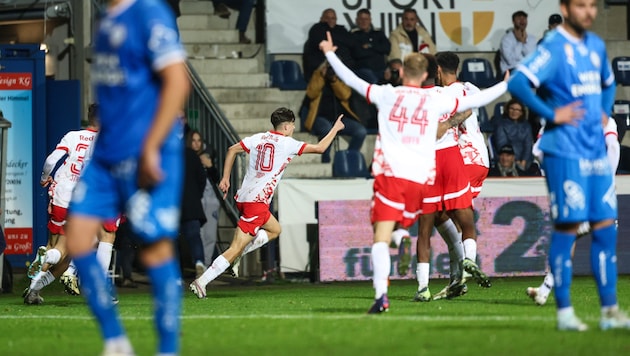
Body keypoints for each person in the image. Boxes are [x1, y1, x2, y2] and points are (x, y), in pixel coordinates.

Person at [318, 31, 507, 313]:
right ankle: (453, 257)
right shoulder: (437, 98)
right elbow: (473, 102)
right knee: (459, 219)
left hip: (390, 173)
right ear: (428, 75)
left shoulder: (387, 94)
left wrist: (330, 54)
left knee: (389, 234)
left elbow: (353, 81)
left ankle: (390, 274)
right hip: (423, 173)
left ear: (403, 72)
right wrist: (506, 85)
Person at [65, 1, 190, 355]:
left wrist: (152, 145)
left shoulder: (148, 12)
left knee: (155, 252)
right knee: (76, 238)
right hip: (106, 154)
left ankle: (168, 348)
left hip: (146, 152)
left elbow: (178, 81)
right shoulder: (107, 20)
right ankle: (116, 342)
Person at [507, 0, 630, 331]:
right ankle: (564, 313)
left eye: (593, 5)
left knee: (605, 227)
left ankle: (610, 311)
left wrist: (604, 112)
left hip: (595, 152)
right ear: (565, 7)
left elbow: (607, 84)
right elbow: (517, 83)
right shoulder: (554, 46)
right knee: (568, 227)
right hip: (564, 151)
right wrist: (552, 114)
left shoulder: (595, 45)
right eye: (580, 5)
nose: (588, 11)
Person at [189, 107, 344, 298]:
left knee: (275, 229)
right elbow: (320, 148)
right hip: (257, 203)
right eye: (293, 126)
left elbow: (231, 150)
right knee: (235, 247)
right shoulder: (287, 143)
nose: (294, 129)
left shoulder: (258, 138)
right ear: (286, 126)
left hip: (244, 198)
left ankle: (238, 255)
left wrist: (225, 178)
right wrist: (335, 129)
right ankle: (202, 281)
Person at [527, 116, 620, 305]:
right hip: (597, 184)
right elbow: (613, 148)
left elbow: (538, 151)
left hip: (570, 182)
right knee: (581, 237)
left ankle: (549, 292)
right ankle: (547, 290)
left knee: (567, 235)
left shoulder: (557, 114)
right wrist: (608, 180)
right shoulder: (603, 117)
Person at [299, 61, 367, 163]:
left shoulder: (341, 77)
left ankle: (348, 158)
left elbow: (345, 95)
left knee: (361, 131)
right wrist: (322, 76)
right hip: (319, 117)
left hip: (339, 119)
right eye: (329, 67)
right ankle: (325, 158)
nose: (332, 70)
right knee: (327, 129)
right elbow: (311, 93)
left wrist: (334, 80)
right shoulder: (318, 74)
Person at [189, 130, 221, 266]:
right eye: (193, 141)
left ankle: (205, 266)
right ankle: (199, 263)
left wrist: (211, 166)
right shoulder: (187, 159)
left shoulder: (206, 158)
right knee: (198, 235)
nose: (196, 144)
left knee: (210, 235)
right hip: (196, 200)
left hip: (211, 199)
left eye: (199, 141)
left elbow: (217, 179)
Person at [180, 129, 208, 278]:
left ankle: (176, 275)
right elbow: (201, 179)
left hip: (174, 205)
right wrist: (196, 196)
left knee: (173, 241)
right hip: (192, 204)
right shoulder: (192, 155)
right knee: (195, 237)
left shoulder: (165, 155)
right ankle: (199, 262)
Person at [303, 8, 356, 82]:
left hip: (345, 66)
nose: (330, 20)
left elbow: (350, 43)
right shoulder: (316, 29)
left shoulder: (341, 30)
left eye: (333, 18)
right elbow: (323, 43)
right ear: (321, 19)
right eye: (327, 18)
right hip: (323, 68)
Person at [492, 98, 535, 171]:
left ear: (521, 112)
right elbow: (502, 145)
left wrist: (523, 161)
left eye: (518, 110)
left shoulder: (527, 126)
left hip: (525, 160)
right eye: (512, 109)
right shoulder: (501, 125)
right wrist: (515, 160)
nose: (514, 112)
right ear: (507, 110)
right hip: (507, 159)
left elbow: (528, 145)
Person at [350, 8, 390, 84]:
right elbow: (358, 53)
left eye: (366, 19)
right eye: (361, 19)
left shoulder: (378, 33)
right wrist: (377, 50)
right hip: (363, 69)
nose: (364, 21)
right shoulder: (353, 35)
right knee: (374, 82)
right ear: (356, 20)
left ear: (370, 20)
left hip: (381, 69)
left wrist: (370, 46)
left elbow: (387, 48)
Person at [498, 10, 537, 76]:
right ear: (513, 21)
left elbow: (532, 57)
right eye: (519, 19)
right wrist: (519, 42)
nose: (522, 21)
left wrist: (524, 42)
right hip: (510, 71)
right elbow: (510, 61)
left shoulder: (531, 38)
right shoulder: (506, 39)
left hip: (527, 70)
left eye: (524, 19)